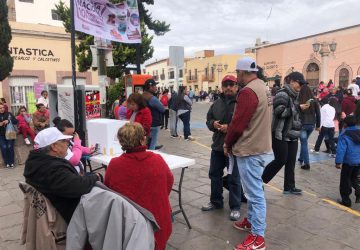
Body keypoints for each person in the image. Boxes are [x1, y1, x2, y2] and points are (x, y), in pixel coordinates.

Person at [224, 57, 272, 250]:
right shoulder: (263, 87)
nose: (237, 77)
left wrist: (228, 142)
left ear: (243, 73)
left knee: (254, 194)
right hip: (260, 146)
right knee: (255, 189)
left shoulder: (247, 92)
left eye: (238, 73)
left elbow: (238, 123)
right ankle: (251, 221)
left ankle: (257, 237)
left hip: (250, 148)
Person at [104, 123, 173, 250]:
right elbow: (169, 182)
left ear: (121, 142)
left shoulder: (115, 165)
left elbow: (108, 191)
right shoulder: (157, 159)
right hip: (157, 219)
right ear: (143, 139)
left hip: (129, 221)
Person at [24, 127, 100, 223]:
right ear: (54, 146)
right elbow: (78, 187)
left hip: (52, 207)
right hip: (66, 216)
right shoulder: (52, 169)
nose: (68, 143)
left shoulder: (35, 162)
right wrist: (96, 177)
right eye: (64, 141)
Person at [202, 75, 242, 221]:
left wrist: (229, 128)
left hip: (233, 148)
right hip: (218, 146)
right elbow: (208, 120)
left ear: (236, 86)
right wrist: (214, 124)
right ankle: (216, 202)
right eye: (225, 85)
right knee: (214, 175)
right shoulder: (216, 103)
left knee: (234, 178)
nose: (228, 88)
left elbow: (246, 124)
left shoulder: (241, 103)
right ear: (222, 87)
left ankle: (235, 207)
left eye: (231, 85)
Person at [262, 72, 309, 196]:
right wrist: (298, 108)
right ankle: (259, 182)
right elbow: (279, 112)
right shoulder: (282, 93)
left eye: (303, 84)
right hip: (279, 133)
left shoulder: (295, 95)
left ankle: (289, 187)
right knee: (280, 160)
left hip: (292, 134)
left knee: (291, 161)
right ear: (292, 81)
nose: (301, 86)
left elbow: (294, 114)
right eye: (300, 83)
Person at [335, 115, 360, 207]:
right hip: (358, 161)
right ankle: (358, 191)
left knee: (345, 180)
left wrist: (338, 162)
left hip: (348, 161)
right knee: (354, 178)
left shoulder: (344, 134)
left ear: (345, 124)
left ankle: (346, 200)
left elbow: (341, 150)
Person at [298, 84, 321, 170]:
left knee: (304, 143)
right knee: (304, 141)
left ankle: (306, 163)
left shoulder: (300, 100)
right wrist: (318, 125)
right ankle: (301, 158)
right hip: (311, 124)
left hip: (302, 124)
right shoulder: (314, 101)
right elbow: (318, 114)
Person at [142, 79, 165, 150]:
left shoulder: (142, 96)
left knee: (146, 142)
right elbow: (162, 109)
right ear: (150, 87)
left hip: (144, 122)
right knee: (152, 143)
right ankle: (150, 156)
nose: (156, 87)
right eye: (155, 86)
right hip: (154, 123)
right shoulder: (152, 98)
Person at [0, 103, 18, 169]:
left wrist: (9, 120)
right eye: (0, 108)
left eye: (2, 107)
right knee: (4, 147)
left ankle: (11, 162)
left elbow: (16, 121)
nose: (2, 109)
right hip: (1, 135)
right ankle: (7, 162)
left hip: (9, 133)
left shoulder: (9, 114)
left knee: (10, 147)